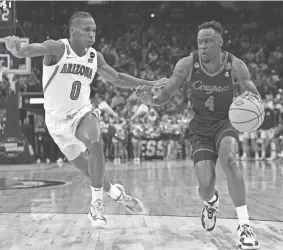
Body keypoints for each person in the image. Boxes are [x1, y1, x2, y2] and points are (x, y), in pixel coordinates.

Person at [4, 11, 165, 228]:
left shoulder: (94, 57)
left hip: (81, 113)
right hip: (56, 123)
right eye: (87, 29)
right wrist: (16, 49)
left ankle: (96, 206)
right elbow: (30, 50)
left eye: (94, 30)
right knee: (91, 172)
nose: (92, 34)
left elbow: (116, 78)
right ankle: (118, 194)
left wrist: (148, 83)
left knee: (95, 143)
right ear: (72, 31)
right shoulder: (57, 48)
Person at [136, 21, 260, 249]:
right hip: (200, 128)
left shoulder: (235, 65)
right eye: (200, 42)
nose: (202, 46)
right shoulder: (187, 64)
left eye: (208, 41)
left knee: (230, 160)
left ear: (220, 43)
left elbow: (252, 93)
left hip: (226, 122)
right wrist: (152, 101)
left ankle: (244, 226)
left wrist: (254, 105)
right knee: (205, 186)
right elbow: (167, 93)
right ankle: (211, 201)